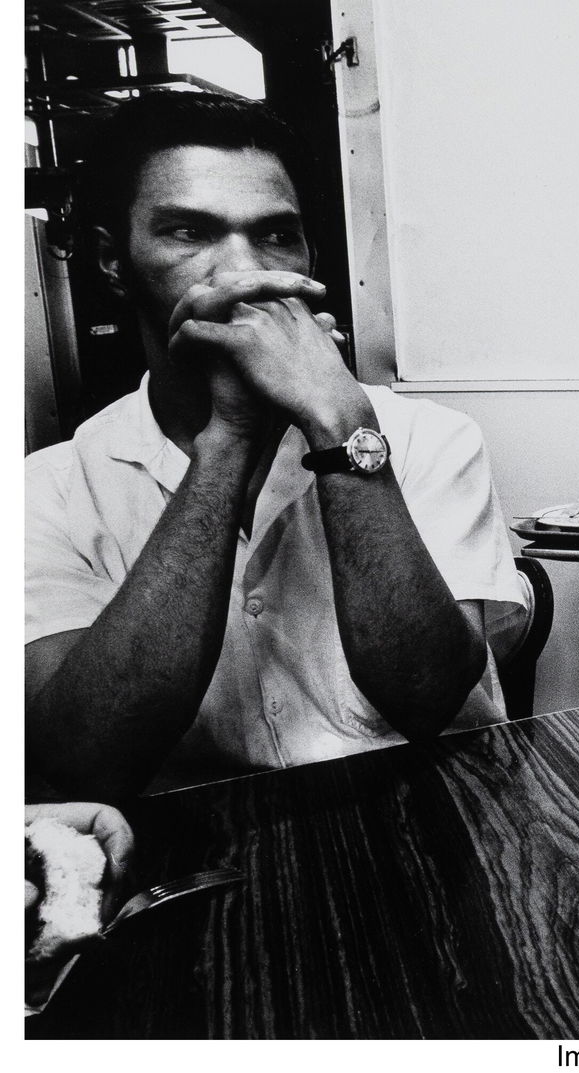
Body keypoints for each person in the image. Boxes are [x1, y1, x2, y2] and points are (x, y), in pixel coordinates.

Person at [25, 92, 528, 802]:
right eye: (189, 232)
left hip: (436, 834)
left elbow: (429, 696)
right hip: (202, 872)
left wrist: (339, 421)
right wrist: (227, 441)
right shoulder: (44, 491)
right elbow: (87, 760)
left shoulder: (430, 438)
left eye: (275, 236)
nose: (242, 273)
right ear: (113, 261)